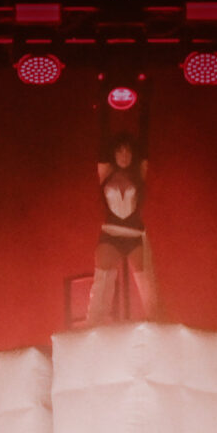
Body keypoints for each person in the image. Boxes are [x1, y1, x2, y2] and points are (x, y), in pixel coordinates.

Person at [86, 109, 158, 325]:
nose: (124, 155)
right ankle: (94, 327)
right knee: (101, 285)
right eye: (120, 151)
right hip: (110, 234)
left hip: (135, 235)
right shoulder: (105, 172)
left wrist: (145, 106)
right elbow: (102, 140)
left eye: (128, 152)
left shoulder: (139, 173)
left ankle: (157, 327)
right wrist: (103, 106)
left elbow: (144, 141)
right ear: (114, 154)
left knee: (148, 289)